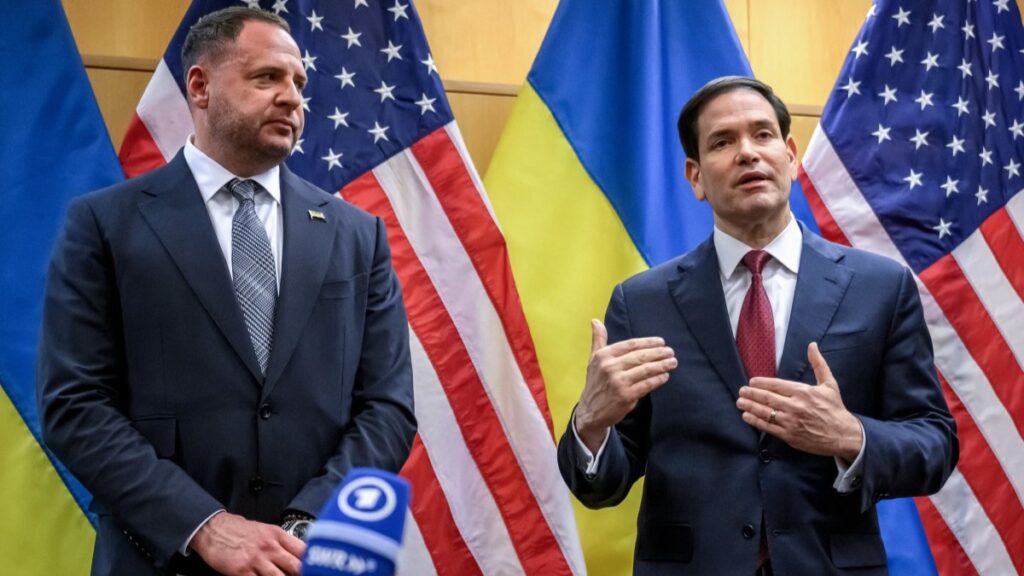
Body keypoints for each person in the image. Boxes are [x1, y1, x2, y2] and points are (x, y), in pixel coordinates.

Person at [37, 7, 416, 576]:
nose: (292, 97)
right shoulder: (104, 224)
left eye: (299, 83)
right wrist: (205, 526)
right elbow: (75, 405)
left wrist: (304, 524)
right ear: (200, 86)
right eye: (267, 77)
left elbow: (388, 406)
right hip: (159, 559)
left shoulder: (357, 235)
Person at [557, 76, 958, 575]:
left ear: (790, 156)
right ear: (696, 177)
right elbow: (604, 484)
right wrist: (591, 425)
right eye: (723, 142)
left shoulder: (881, 287)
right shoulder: (642, 302)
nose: (747, 153)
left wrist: (850, 436)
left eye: (763, 135)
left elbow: (935, 444)